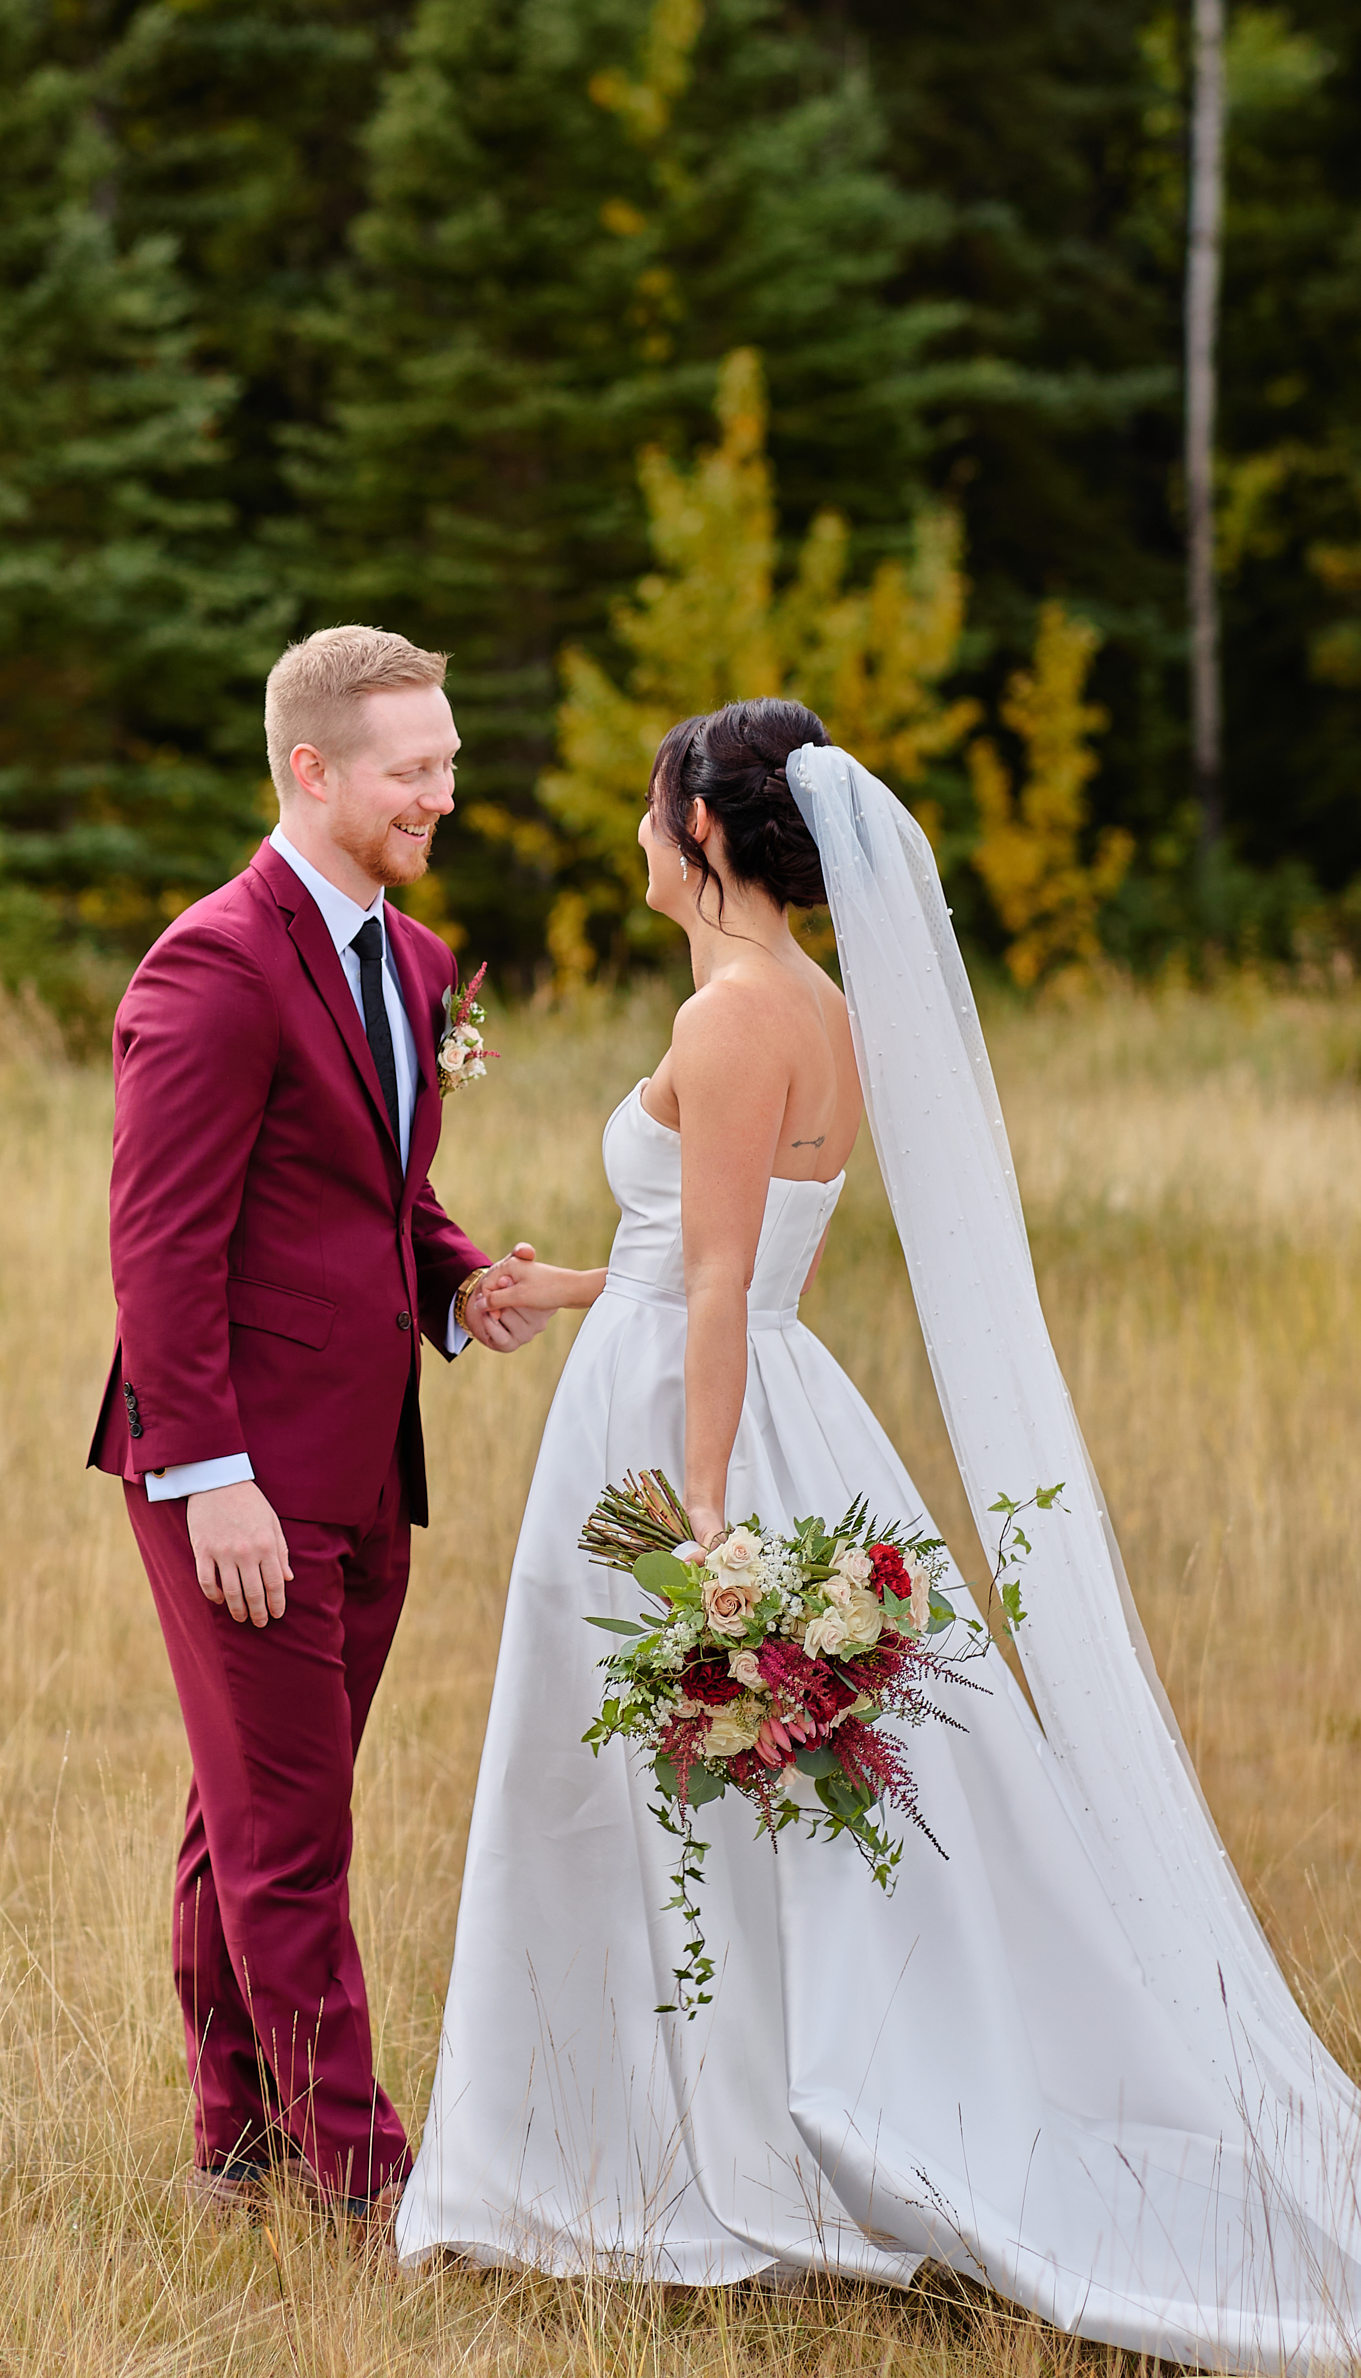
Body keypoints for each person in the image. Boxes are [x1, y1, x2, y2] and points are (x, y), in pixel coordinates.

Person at [398, 699, 1361, 2364]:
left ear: (703, 830)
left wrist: (699, 1507)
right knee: (715, 1785)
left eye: (648, 804)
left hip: (687, 1424)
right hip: (766, 1391)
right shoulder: (818, 1008)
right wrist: (544, 1288)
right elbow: (722, 1258)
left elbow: (715, 1285)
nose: (633, 829)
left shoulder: (732, 1018)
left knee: (638, 1773)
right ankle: (645, 2127)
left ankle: (650, 2160)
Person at [88, 624, 551, 2231]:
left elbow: (380, 1198)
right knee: (293, 1839)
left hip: (368, 1459)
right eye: (412, 768)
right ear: (313, 769)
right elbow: (160, 1244)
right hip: (236, 1471)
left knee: (256, 1811)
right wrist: (211, 1478)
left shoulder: (415, 966)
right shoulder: (211, 961)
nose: (443, 791)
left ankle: (236, 2132)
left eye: (448, 761)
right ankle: (373, 2189)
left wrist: (463, 1284)